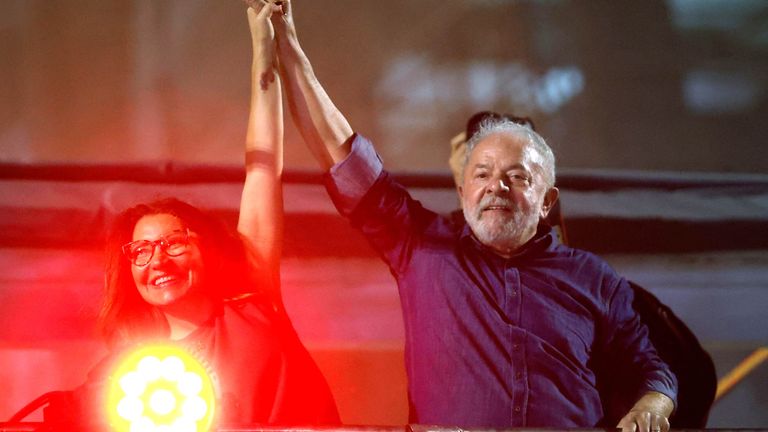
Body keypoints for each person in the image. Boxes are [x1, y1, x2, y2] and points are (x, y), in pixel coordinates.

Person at [268, 1, 677, 430]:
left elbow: (652, 369)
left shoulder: (594, 279)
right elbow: (342, 154)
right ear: (462, 190)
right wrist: (288, 43)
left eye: (516, 176)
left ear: (547, 200)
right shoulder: (421, 245)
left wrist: (651, 407)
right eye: (482, 174)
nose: (495, 186)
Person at [63, 2, 339, 428]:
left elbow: (262, 168)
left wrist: (263, 50)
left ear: (205, 249)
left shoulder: (251, 310)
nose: (157, 260)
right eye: (141, 250)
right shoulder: (128, 377)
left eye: (174, 242)